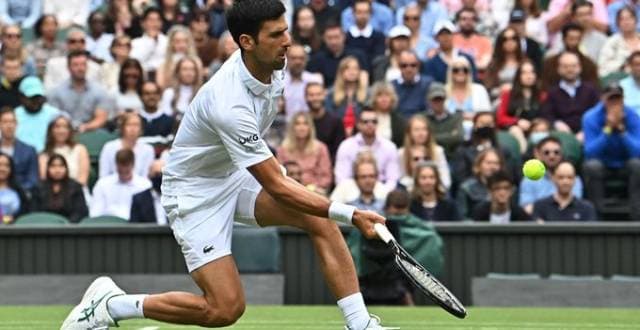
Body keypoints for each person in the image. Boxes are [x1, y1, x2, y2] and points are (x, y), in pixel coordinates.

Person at [62, 2, 391, 329]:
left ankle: (360, 325)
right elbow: (276, 184)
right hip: (194, 193)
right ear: (247, 42)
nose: (288, 41)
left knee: (319, 219)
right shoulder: (228, 103)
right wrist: (353, 213)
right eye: (276, 34)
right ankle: (111, 305)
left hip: (233, 173)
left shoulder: (274, 63)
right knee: (224, 309)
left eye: (286, 29)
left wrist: (332, 210)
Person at [582, 82, 640, 219]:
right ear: (603, 99)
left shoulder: (632, 116)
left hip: (625, 163)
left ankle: (636, 217)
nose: (614, 103)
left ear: (623, 100)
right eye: (610, 99)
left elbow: (638, 152)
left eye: (617, 99)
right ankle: (597, 217)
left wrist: (622, 131)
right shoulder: (590, 117)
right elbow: (590, 153)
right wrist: (607, 130)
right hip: (602, 164)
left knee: (637, 165)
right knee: (592, 166)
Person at [335, 107, 400, 191]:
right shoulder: (346, 146)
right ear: (358, 124)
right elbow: (341, 179)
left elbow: (392, 180)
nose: (370, 124)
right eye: (365, 122)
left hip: (382, 193)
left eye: (374, 121)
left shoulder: (389, 147)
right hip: (351, 193)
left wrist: (381, 195)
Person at [48, 50, 113, 133]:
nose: (80, 68)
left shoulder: (99, 91)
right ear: (68, 67)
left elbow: (101, 118)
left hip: (91, 132)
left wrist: (86, 127)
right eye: (76, 65)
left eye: (83, 64)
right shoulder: (56, 92)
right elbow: (54, 118)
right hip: (64, 133)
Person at [519, 136, 584, 214]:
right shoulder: (529, 180)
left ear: (562, 154)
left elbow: (574, 206)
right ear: (538, 155)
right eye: (547, 152)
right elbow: (527, 208)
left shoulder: (574, 179)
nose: (552, 156)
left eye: (556, 152)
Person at [541, 51, 600, 137]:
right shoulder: (552, 92)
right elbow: (546, 114)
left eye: (573, 66)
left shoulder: (591, 90)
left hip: (588, 133)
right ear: (559, 69)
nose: (570, 69)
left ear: (580, 67)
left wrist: (586, 131)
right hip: (561, 135)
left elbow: (598, 113)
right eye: (565, 66)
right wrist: (556, 123)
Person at [276, 112, 333, 195]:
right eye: (297, 124)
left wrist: (311, 187)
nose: (301, 128)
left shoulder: (320, 148)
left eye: (305, 124)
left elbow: (326, 177)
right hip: (289, 190)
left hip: (314, 191)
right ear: (292, 128)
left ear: (310, 127)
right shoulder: (282, 149)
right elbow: (279, 175)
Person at [496, 60, 545, 154]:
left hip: (535, 128)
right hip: (513, 128)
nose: (529, 76)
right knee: (516, 130)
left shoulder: (541, 96)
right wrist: (517, 121)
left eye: (532, 72)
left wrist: (537, 124)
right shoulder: (508, 94)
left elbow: (545, 116)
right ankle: (524, 155)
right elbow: (500, 118)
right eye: (524, 73)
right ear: (518, 76)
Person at [90, 148, 153, 219]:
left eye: (127, 170)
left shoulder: (145, 185)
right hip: (108, 225)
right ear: (116, 165)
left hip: (134, 226)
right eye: (120, 170)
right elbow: (95, 212)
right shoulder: (102, 184)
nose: (123, 171)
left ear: (133, 165)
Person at [30, 154, 88, 223]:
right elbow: (34, 212)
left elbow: (80, 211)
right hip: (44, 227)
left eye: (61, 166)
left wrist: (67, 224)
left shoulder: (75, 187)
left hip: (69, 227)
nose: (57, 170)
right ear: (48, 168)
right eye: (53, 166)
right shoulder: (38, 187)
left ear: (66, 168)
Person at [399, 114, 451, 189]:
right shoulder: (401, 153)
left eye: (424, 129)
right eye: (416, 130)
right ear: (409, 133)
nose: (421, 133)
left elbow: (445, 179)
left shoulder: (438, 151)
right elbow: (400, 177)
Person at [532, 161, 597, 221]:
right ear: (553, 179)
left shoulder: (587, 208)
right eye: (561, 177)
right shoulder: (540, 206)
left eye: (569, 177)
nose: (565, 182)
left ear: (575, 180)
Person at [99, 112, 155, 178]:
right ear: (122, 128)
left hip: (139, 186)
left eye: (136, 125)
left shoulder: (148, 149)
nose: (133, 129)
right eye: (129, 125)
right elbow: (103, 175)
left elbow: (145, 177)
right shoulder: (109, 147)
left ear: (141, 129)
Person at [39, 116, 90, 187]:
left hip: (77, 193)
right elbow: (44, 180)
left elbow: (82, 179)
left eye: (65, 127)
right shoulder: (44, 154)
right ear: (51, 130)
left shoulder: (80, 149)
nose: (61, 131)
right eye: (57, 127)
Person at [14, 76, 62, 152]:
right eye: (31, 98)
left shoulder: (55, 115)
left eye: (38, 97)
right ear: (21, 97)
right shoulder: (14, 116)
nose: (36, 101)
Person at [456, 147, 504, 219]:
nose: (493, 167)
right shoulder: (466, 188)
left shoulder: (507, 188)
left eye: (496, 163)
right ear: (479, 165)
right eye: (488, 163)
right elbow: (462, 217)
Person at [305, 82, 345, 162]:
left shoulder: (336, 122)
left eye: (318, 94)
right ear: (305, 97)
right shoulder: (301, 122)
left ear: (324, 95)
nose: (315, 98)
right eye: (311, 95)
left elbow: (339, 151)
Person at [0, 108, 39, 192]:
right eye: (5, 122)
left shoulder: (29, 151)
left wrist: (16, 193)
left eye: (12, 122)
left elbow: (33, 180)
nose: (9, 126)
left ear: (16, 124)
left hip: (22, 197)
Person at [283, 44, 323, 119]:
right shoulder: (278, 81)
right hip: (283, 125)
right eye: (293, 58)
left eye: (301, 58)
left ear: (306, 60)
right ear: (286, 59)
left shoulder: (315, 80)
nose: (298, 62)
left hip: (311, 125)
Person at [598, 7, 640, 78]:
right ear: (617, 23)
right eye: (622, 19)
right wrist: (621, 66)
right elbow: (602, 67)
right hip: (620, 79)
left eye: (629, 18)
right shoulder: (612, 42)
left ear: (636, 21)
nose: (626, 22)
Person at [425, 82, 464, 158]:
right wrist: (450, 135)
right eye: (434, 99)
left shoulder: (456, 117)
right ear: (429, 100)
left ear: (445, 99)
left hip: (451, 156)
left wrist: (432, 137)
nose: (438, 102)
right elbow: (423, 138)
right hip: (429, 156)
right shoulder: (423, 118)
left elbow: (459, 137)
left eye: (440, 99)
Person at [391, 50, 433, 118]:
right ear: (398, 66)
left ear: (418, 65)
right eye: (404, 65)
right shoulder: (392, 86)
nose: (409, 69)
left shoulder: (428, 84)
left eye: (413, 65)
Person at [369, 81, 405, 147]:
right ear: (374, 99)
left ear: (392, 98)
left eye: (387, 95)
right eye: (379, 95)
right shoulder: (366, 118)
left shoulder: (399, 121)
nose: (384, 99)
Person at [0, 152, 27, 222]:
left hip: (14, 229)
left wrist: (12, 218)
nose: (2, 169)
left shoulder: (18, 190)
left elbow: (25, 211)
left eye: (6, 166)